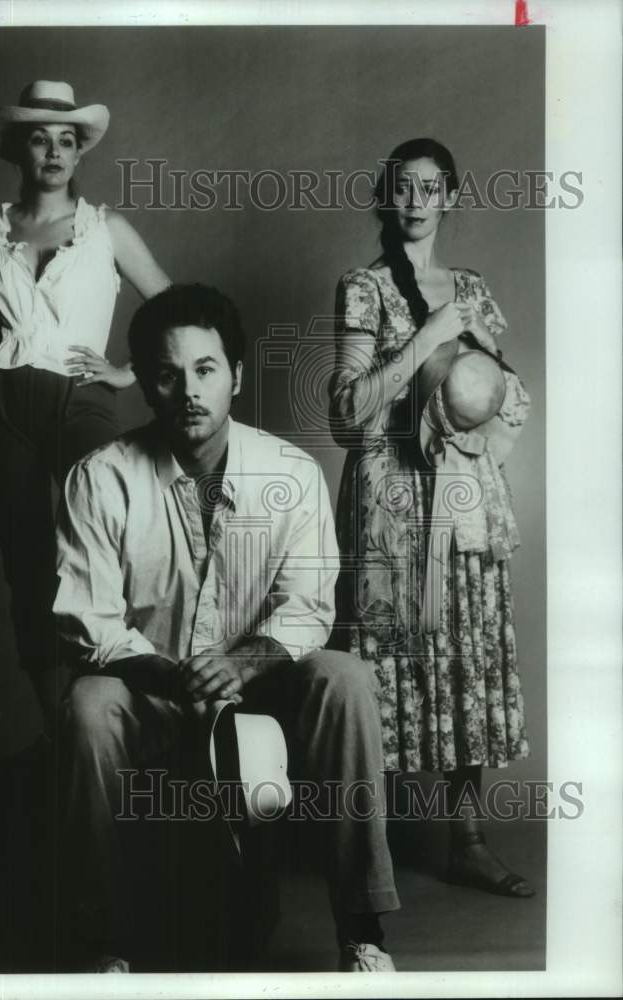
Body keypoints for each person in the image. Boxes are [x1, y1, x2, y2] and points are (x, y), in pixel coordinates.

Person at [52, 283, 400, 973]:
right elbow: (87, 617)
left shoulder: (289, 473)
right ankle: (104, 942)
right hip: (152, 690)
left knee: (346, 676)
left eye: (205, 369)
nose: (188, 390)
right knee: (88, 705)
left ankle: (361, 933)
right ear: (145, 384)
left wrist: (242, 663)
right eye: (167, 373)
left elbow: (306, 606)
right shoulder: (100, 478)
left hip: (264, 689)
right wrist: (166, 671)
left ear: (235, 376)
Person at [329, 138, 534, 898]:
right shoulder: (363, 287)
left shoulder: (473, 290)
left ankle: (467, 839)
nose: (415, 201)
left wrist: (472, 370)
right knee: (383, 662)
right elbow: (348, 416)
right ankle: (364, 848)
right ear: (388, 198)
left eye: (430, 188)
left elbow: (491, 398)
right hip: (390, 499)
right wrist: (424, 339)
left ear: (449, 196)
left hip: (461, 495)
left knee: (464, 655)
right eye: (402, 188)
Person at [0, 81, 171, 732]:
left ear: (79, 153)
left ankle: (129, 714)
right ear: (18, 150)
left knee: (103, 557)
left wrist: (126, 373)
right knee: (28, 567)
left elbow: (174, 309)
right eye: (40, 137)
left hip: (81, 401)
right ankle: (59, 726)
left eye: (67, 139)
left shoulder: (105, 228)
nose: (55, 151)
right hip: (3, 406)